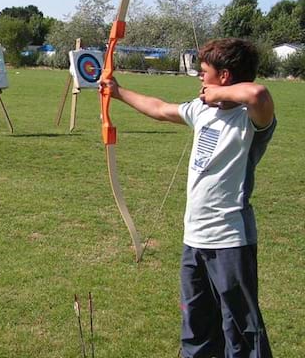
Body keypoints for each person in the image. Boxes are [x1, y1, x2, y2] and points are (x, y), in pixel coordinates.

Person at [100, 38, 276, 358]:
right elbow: (159, 108)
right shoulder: (201, 110)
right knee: (196, 322)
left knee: (240, 329)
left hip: (230, 239)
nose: (199, 77)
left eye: (204, 71)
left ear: (224, 77)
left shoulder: (251, 120)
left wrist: (218, 95)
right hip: (194, 238)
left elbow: (258, 93)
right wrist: (118, 91)